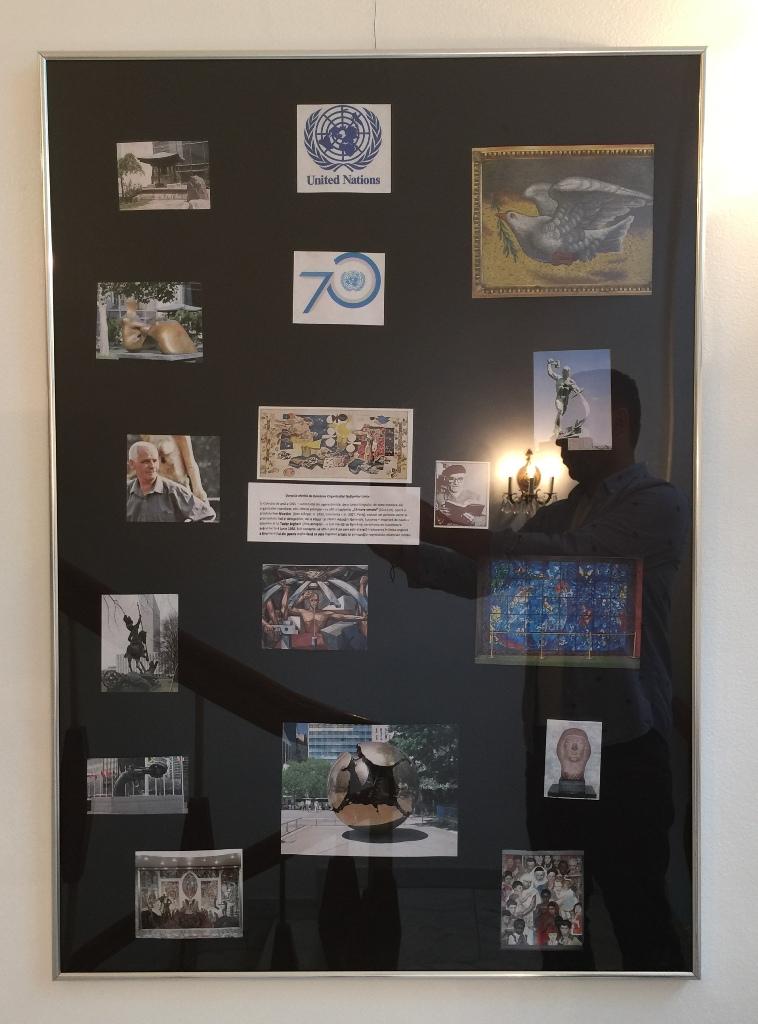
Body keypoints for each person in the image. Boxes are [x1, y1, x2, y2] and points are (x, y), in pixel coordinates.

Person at [126, 441, 216, 523]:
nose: (152, 466)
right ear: (132, 464)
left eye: (155, 461)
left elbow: (207, 515)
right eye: (146, 461)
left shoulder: (175, 491)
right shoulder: (127, 490)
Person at [434, 463, 487, 527]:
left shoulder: (476, 496)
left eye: (460, 479)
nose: (456, 483)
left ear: (464, 479)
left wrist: (474, 520)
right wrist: (439, 515)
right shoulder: (438, 497)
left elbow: (486, 520)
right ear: (446, 479)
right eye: (451, 479)